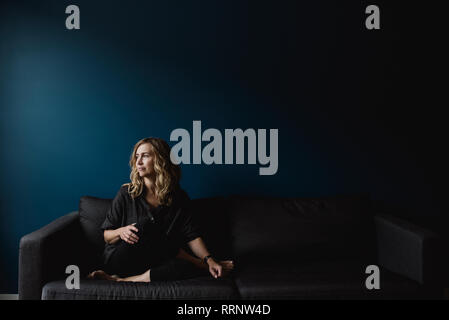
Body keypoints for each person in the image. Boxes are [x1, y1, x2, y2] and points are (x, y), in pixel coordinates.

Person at [87, 137, 234, 282]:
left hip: (152, 262)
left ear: (160, 159)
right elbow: (107, 235)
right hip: (121, 259)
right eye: (137, 157)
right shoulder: (126, 193)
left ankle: (123, 281)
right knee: (145, 226)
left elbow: (192, 235)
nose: (138, 162)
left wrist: (209, 259)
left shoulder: (178, 197)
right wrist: (121, 231)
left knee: (182, 267)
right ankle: (198, 263)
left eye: (145, 156)